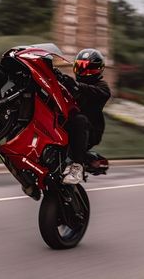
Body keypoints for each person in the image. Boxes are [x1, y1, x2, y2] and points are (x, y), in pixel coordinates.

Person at [55, 48, 111, 184]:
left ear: (99, 69)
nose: (84, 72)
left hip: (90, 131)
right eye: (81, 67)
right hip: (68, 126)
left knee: (79, 120)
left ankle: (77, 168)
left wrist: (75, 85)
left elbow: (98, 92)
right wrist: (55, 76)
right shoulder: (73, 85)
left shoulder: (101, 87)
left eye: (89, 69)